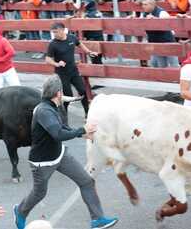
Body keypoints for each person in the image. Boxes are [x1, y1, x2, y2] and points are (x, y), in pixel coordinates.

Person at [13, 75, 118, 229]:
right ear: (58, 93)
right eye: (61, 90)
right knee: (39, 193)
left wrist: (83, 134)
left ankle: (97, 219)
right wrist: (82, 129)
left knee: (86, 181)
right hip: (43, 162)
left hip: (59, 155)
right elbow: (58, 134)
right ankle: (20, 211)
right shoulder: (44, 111)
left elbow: (63, 127)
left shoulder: (53, 106)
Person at [45, 22, 97, 117]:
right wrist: (57, 63)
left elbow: (80, 44)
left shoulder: (72, 38)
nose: (54, 34)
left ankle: (87, 113)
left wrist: (89, 52)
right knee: (67, 96)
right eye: (53, 32)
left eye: (56, 32)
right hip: (61, 74)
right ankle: (63, 119)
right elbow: (47, 59)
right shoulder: (53, 44)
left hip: (73, 71)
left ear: (62, 30)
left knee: (83, 91)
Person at [141, 0, 180, 68]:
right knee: (162, 65)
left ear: (152, 5)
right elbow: (140, 25)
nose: (143, 6)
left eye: (145, 4)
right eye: (143, 4)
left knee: (174, 64)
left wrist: (156, 20)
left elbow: (170, 26)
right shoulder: (144, 14)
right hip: (156, 43)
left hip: (168, 42)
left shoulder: (162, 12)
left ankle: (177, 78)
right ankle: (165, 79)